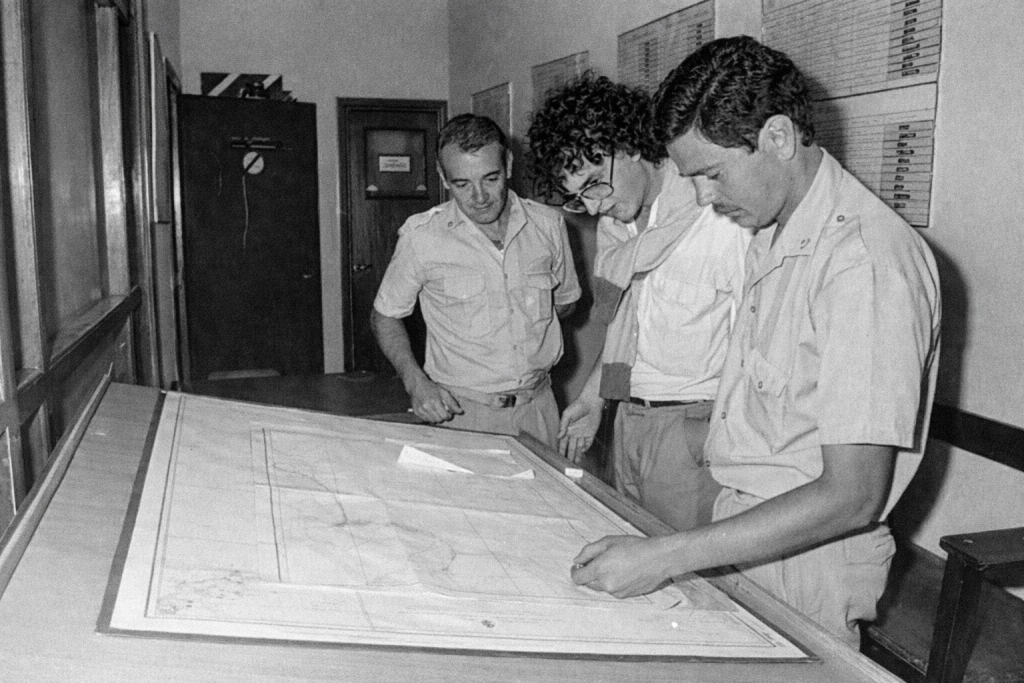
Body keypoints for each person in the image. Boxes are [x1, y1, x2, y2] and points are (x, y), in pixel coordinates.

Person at [569, 36, 941, 647]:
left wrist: (664, 555)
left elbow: (851, 495)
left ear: (778, 137)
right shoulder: (774, 230)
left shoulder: (864, 263)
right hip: (743, 529)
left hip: (806, 558)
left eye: (712, 174)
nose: (704, 197)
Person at [527, 74, 749, 531]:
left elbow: (756, 337)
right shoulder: (619, 233)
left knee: (685, 566)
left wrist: (715, 436)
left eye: (594, 185)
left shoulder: (718, 220)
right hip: (626, 419)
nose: (591, 208)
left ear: (628, 145)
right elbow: (627, 331)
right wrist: (594, 398)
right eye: (576, 198)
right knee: (630, 542)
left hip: (692, 426)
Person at [372, 114, 581, 448]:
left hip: (538, 410)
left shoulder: (548, 226)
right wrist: (416, 383)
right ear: (443, 177)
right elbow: (385, 315)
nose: (480, 196)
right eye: (462, 184)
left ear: (508, 164)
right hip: (462, 414)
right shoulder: (421, 236)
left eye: (491, 178)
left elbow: (565, 303)